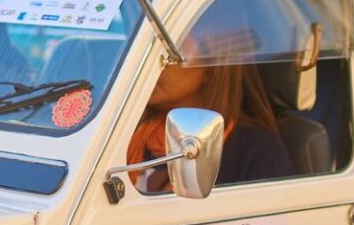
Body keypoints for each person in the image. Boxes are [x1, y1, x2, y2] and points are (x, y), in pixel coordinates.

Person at [125, 47, 292, 195]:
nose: (153, 60)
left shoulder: (257, 149)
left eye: (171, 50)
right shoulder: (123, 131)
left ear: (212, 67)